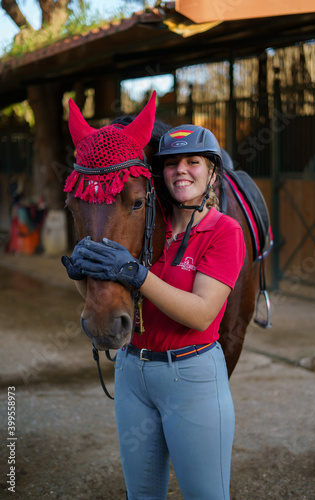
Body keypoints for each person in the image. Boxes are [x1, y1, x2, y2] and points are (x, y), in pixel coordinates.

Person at [65, 124, 245, 500]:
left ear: (212, 172)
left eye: (193, 162)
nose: (181, 170)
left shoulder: (223, 231)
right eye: (171, 163)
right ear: (158, 173)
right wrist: (82, 272)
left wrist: (136, 274)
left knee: (206, 495)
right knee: (141, 495)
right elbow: (116, 291)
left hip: (191, 376)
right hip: (133, 373)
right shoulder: (147, 226)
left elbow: (201, 314)